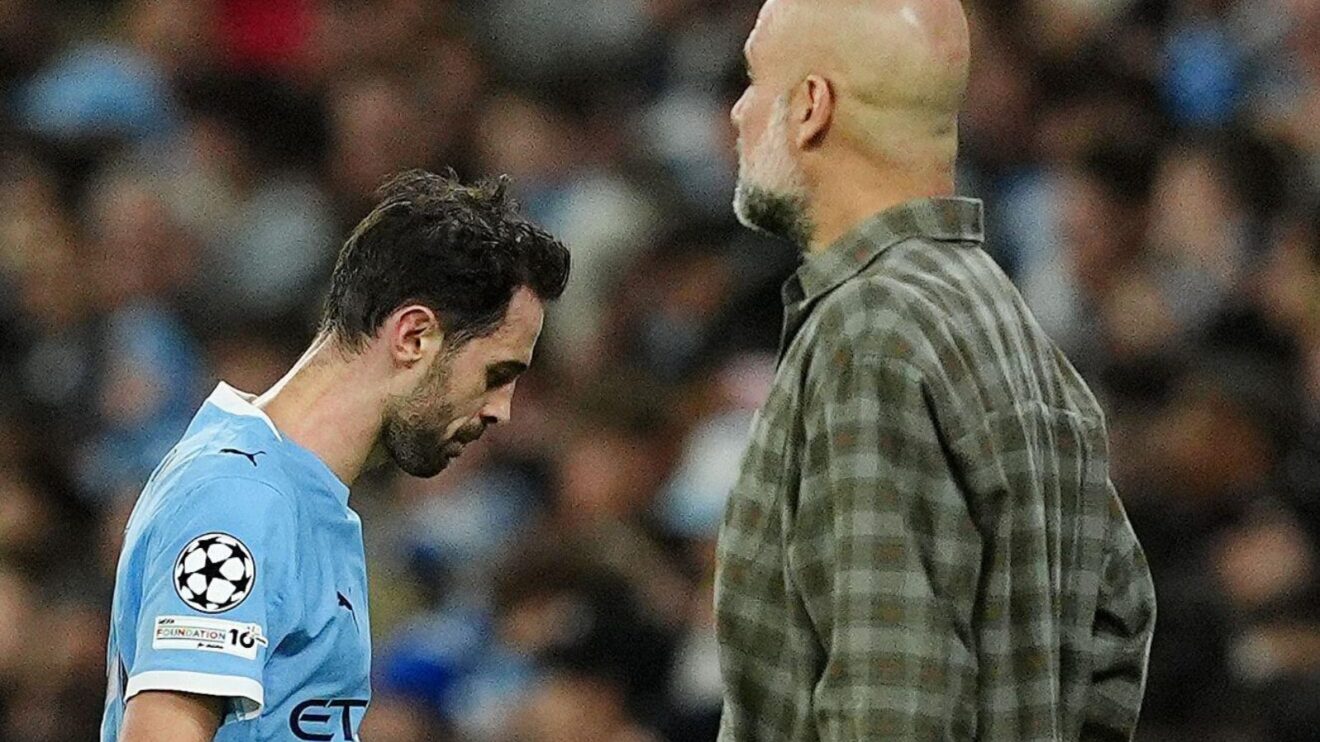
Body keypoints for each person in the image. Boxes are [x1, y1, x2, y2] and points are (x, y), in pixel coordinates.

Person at [714, 0, 1156, 740]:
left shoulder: (872, 330)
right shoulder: (1005, 320)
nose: (737, 112)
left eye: (756, 81)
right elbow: (1120, 622)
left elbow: (893, 701)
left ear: (812, 107)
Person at [100, 170, 571, 742]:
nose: (503, 411)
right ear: (413, 336)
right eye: (497, 374)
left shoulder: (298, 494)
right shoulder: (241, 497)